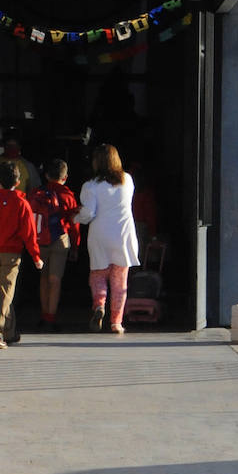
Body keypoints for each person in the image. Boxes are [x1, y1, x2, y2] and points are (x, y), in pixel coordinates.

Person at [0, 162, 44, 349]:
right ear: (19, 181)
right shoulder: (22, 204)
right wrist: (36, 256)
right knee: (5, 294)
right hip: (12, 254)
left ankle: (11, 332)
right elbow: (29, 233)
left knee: (3, 293)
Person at [75, 143, 140, 334]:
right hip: (123, 234)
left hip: (100, 235)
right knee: (120, 282)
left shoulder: (90, 186)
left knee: (98, 275)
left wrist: (75, 218)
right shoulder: (127, 180)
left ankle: (99, 306)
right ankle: (116, 323)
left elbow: (88, 213)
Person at [28, 159, 81, 332]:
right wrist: (75, 245)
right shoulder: (68, 195)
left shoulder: (36, 193)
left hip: (40, 241)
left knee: (43, 279)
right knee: (55, 280)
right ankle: (51, 316)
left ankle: (43, 315)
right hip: (60, 240)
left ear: (46, 175)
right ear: (65, 177)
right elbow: (74, 223)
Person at [0, 136, 41, 200]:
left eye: (14, 146)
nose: (11, 148)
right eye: (8, 145)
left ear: (19, 147)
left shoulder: (29, 167)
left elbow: (35, 192)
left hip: (19, 207)